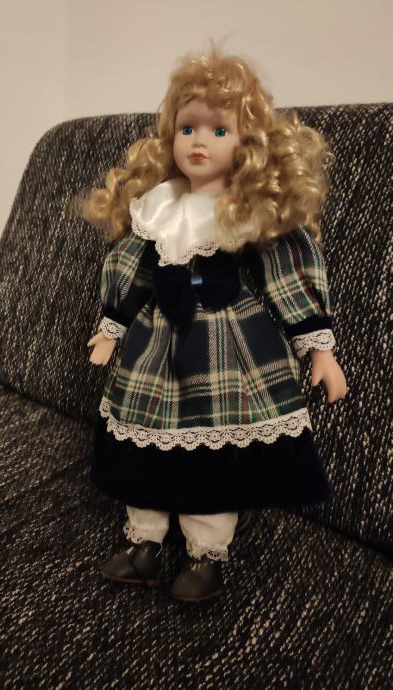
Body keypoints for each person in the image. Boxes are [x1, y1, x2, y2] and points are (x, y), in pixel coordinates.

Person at [77, 42, 348, 603]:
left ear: (247, 144)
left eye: (218, 130)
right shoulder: (159, 205)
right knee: (142, 445)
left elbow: (285, 275)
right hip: (155, 345)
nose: (199, 142)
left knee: (215, 458)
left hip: (226, 346)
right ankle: (145, 541)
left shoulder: (247, 211)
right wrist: (111, 328)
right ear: (171, 136)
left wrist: (318, 348)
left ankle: (206, 552)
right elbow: (134, 269)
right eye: (188, 128)